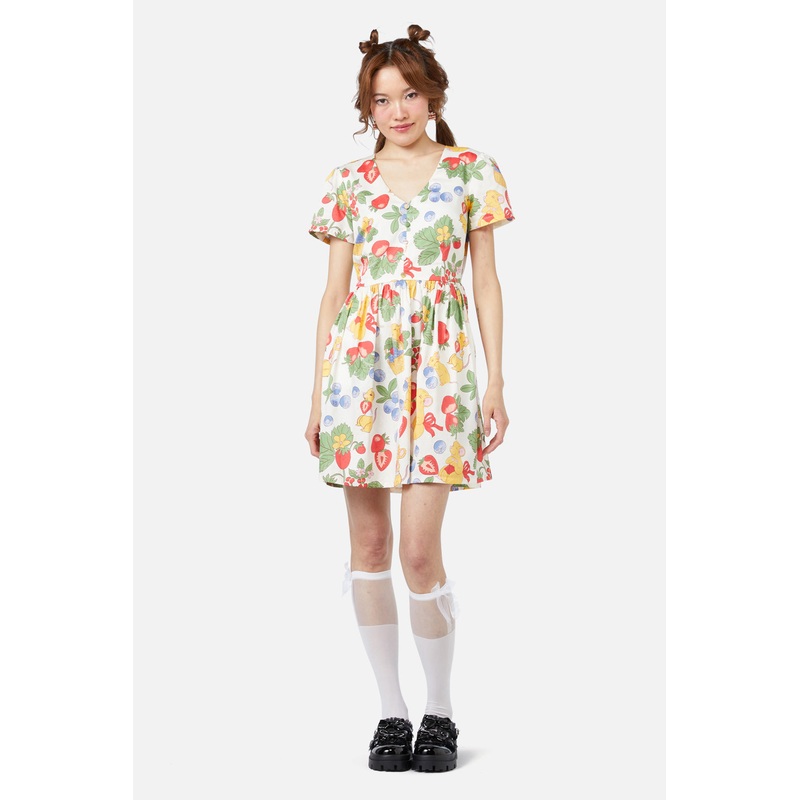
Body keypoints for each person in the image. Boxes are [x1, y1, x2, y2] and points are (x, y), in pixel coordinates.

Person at [304, 23, 514, 773]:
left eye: (410, 95)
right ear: (368, 107)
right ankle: (391, 711)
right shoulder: (348, 182)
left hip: (442, 373)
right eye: (382, 100)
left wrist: (495, 381)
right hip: (360, 376)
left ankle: (440, 709)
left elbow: (485, 282)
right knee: (368, 548)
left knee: (420, 553)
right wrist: (316, 396)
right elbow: (334, 294)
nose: (398, 111)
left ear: (433, 96)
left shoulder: (471, 171)